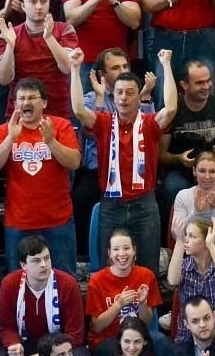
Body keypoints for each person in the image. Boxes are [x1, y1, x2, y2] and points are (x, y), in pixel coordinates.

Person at [70, 47, 177, 272]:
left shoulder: (148, 123)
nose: (123, 98)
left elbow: (172, 108)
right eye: (119, 92)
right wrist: (74, 68)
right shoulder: (104, 122)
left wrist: (166, 65)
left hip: (145, 205)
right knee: (108, 271)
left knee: (148, 271)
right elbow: (79, 109)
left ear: (139, 97)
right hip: (111, 205)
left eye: (130, 93)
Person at [0, 77, 81, 275]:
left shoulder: (60, 126)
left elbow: (74, 162)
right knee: (18, 283)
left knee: (64, 281)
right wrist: (11, 137)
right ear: (15, 104)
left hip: (57, 221)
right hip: (19, 222)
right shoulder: (5, 129)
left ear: (44, 103)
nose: (26, 102)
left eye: (31, 98)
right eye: (21, 98)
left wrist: (51, 141)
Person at [160, 62, 215, 229]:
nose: (206, 86)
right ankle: (173, 242)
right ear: (184, 85)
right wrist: (178, 159)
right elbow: (161, 154)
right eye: (199, 83)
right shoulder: (173, 111)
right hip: (181, 170)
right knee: (173, 188)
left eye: (208, 81)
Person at [0, 0, 78, 120]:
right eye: (33, 2)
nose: (39, 6)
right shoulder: (9, 34)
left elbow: (66, 68)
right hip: (20, 112)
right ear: (22, 5)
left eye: (43, 1)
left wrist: (49, 38)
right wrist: (10, 46)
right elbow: (3, 79)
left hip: (57, 110)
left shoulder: (65, 30)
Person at [0, 236, 85, 355]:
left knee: (80, 353)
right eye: (36, 260)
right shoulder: (10, 284)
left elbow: (75, 333)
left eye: (46, 258)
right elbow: (6, 328)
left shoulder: (68, 284)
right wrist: (14, 344)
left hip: (59, 346)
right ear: (23, 265)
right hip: (24, 344)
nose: (44, 265)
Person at [84, 229, 163, 356]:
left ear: (134, 251)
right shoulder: (97, 280)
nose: (122, 254)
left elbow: (147, 323)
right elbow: (97, 327)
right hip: (107, 339)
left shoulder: (146, 275)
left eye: (126, 248)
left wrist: (142, 303)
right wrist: (118, 305)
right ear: (109, 253)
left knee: (161, 342)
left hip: (138, 337)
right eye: (116, 249)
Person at [166, 218, 215, 344]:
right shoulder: (183, 266)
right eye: (186, 235)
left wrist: (211, 245)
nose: (186, 239)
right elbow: (172, 280)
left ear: (206, 240)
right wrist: (179, 242)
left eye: (192, 236)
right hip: (187, 339)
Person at [171, 150, 215, 256]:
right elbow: (176, 234)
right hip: (191, 250)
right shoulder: (183, 195)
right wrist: (196, 212)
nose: (207, 177)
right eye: (202, 171)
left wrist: (214, 210)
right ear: (194, 171)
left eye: (212, 171)